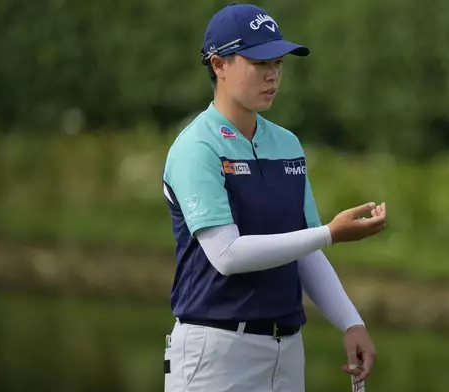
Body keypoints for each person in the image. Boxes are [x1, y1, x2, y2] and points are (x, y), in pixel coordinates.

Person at [161, 3, 387, 391]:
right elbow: (227, 255)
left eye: (278, 62)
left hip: (286, 350)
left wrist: (351, 322)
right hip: (213, 353)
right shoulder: (196, 146)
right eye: (259, 63)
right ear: (219, 65)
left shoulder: (286, 143)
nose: (273, 75)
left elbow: (305, 250)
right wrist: (331, 233)